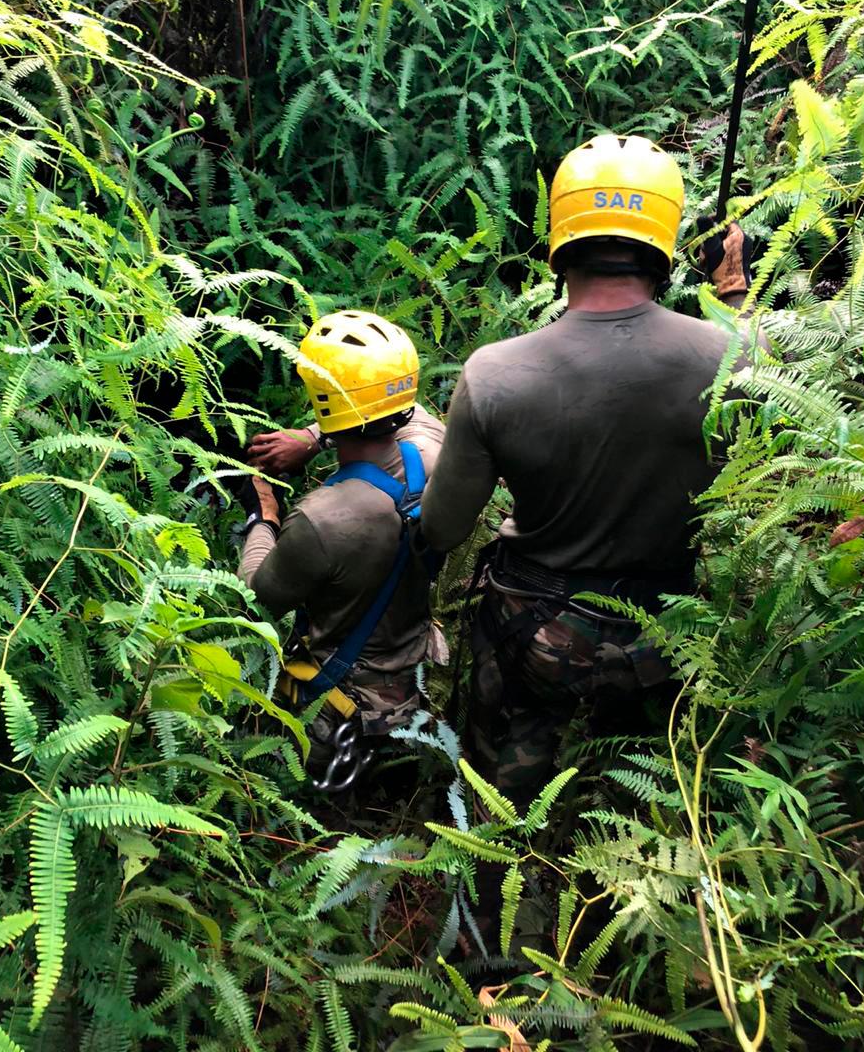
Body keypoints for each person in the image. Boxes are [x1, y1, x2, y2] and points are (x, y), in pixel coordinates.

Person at [420, 133, 757, 817]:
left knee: (496, 811)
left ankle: (493, 887)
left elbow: (442, 527)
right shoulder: (736, 358)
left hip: (533, 635)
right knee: (641, 809)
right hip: (665, 635)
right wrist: (731, 284)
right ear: (665, 241)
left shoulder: (496, 373)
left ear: (561, 237)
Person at [237, 310, 444, 787]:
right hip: (420, 669)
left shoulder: (323, 518)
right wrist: (314, 437)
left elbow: (259, 592)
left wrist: (262, 514)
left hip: (340, 711)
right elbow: (412, 414)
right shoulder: (435, 447)